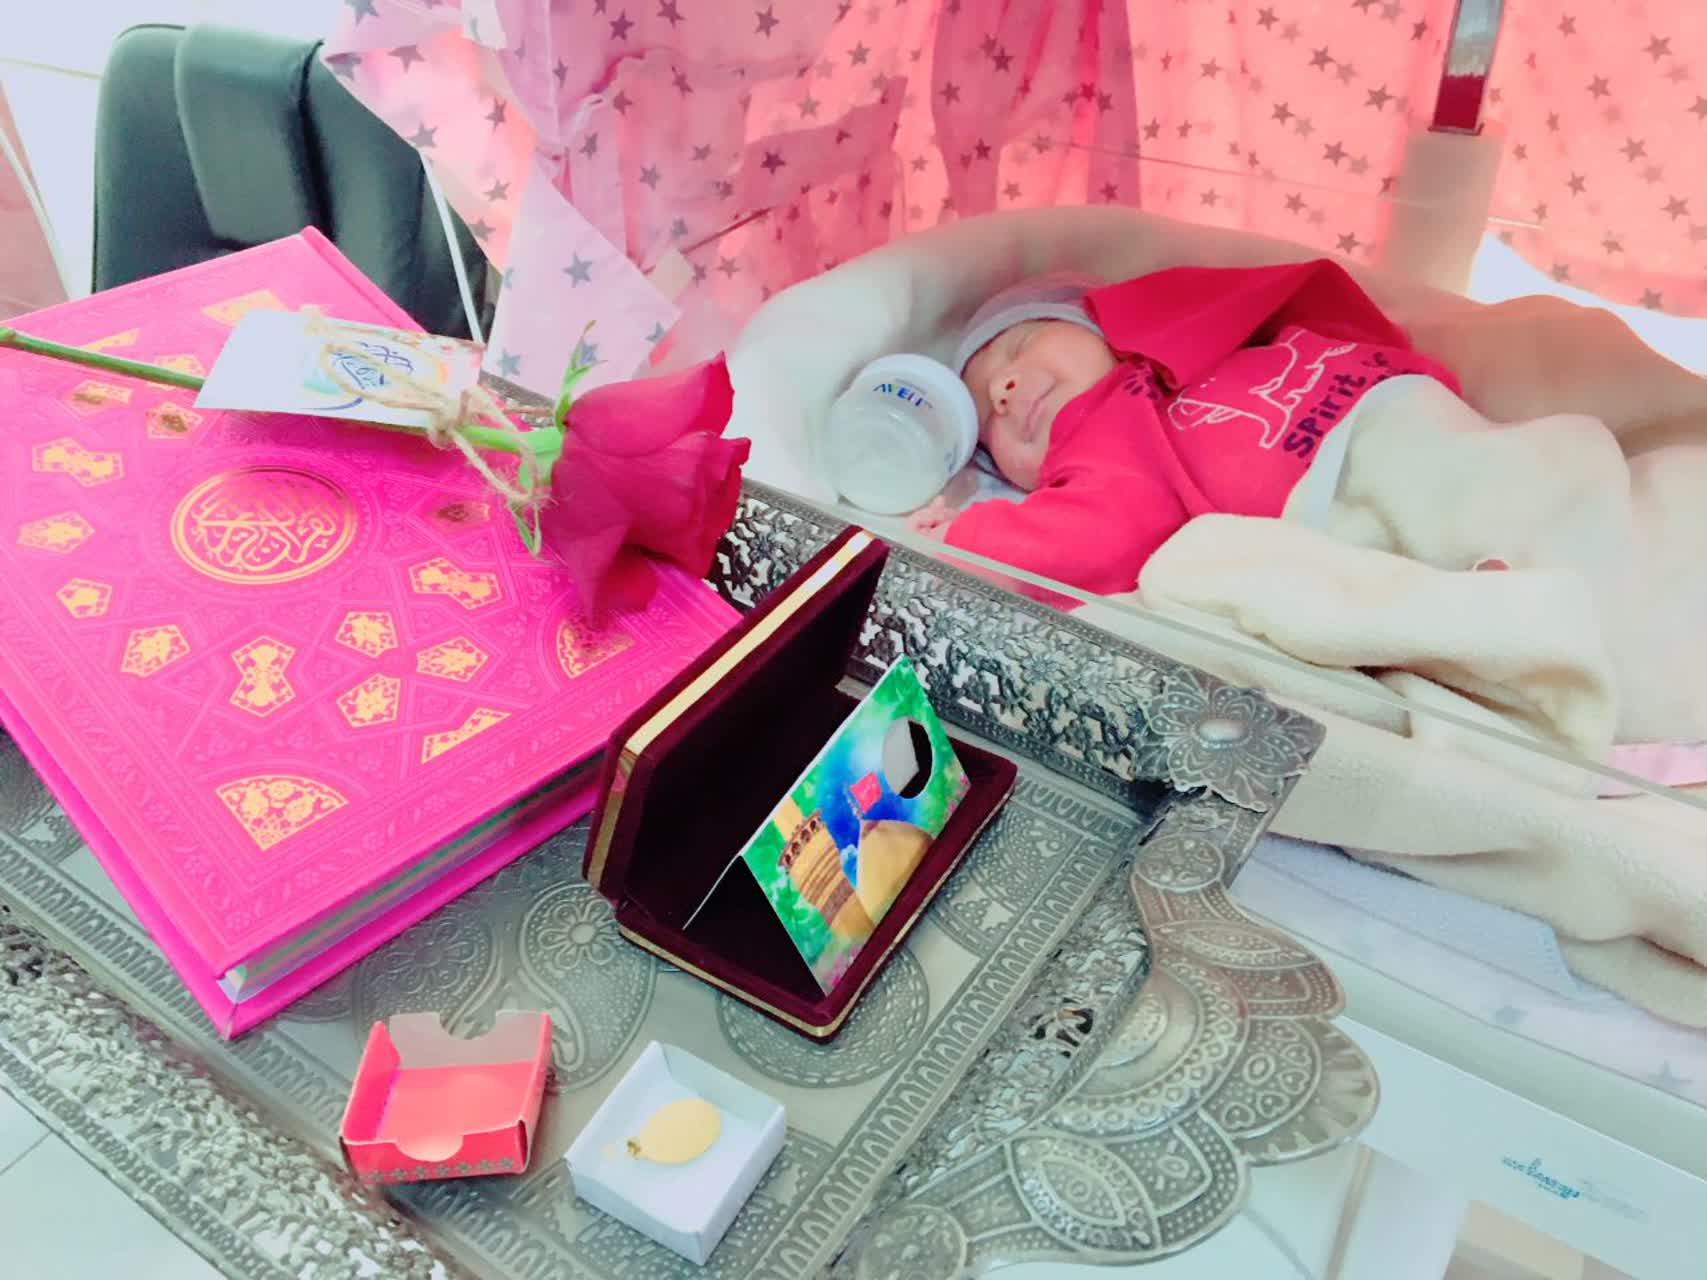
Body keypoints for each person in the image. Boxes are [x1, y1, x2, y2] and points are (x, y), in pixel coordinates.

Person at [907, 262, 1459, 595]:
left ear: (1100, 327)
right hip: (1345, 492)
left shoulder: (1192, 341)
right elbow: (1099, 533)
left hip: (1390, 412)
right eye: (990, 421)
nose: (1003, 390)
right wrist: (970, 539)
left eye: (1020, 347)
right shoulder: (1097, 445)